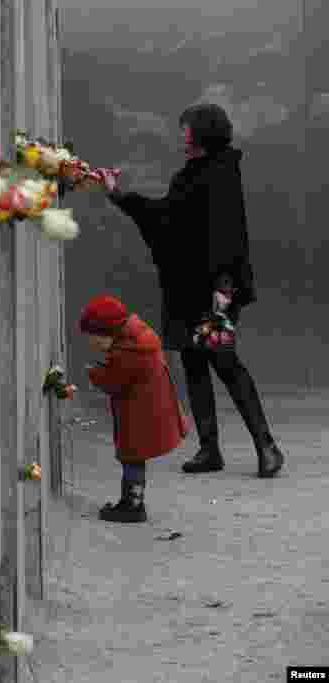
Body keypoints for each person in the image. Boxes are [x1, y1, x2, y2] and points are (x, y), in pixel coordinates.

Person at [101, 102, 285, 478]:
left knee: (224, 362)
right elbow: (165, 220)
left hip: (215, 292)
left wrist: (224, 289)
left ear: (202, 132)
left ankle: (267, 446)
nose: (181, 135)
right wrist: (119, 196)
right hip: (186, 291)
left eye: (186, 128)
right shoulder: (188, 177)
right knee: (194, 362)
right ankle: (209, 450)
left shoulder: (220, 174)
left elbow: (228, 237)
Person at [80, 295, 187, 523]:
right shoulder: (135, 339)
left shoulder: (130, 350)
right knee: (133, 458)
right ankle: (131, 502)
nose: (93, 345)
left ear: (108, 332)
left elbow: (114, 381)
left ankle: (132, 506)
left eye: (95, 339)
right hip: (145, 407)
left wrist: (94, 373)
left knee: (132, 457)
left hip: (140, 413)